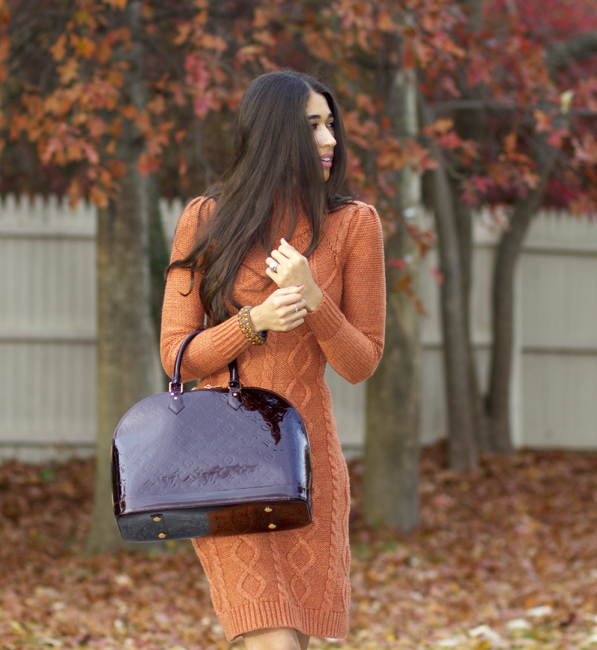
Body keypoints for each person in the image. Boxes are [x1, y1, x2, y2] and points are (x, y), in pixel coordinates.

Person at [159, 70, 386, 650]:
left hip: (306, 467)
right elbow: (177, 358)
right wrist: (251, 324)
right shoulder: (206, 219)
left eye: (330, 124)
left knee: (291, 640)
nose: (330, 139)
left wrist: (315, 302)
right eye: (312, 126)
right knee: (272, 640)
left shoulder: (353, 225)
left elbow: (362, 362)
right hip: (224, 465)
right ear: (274, 134)